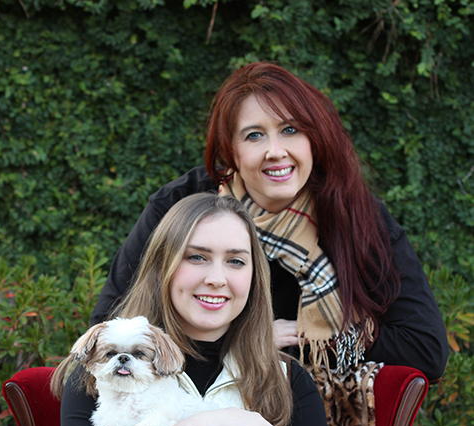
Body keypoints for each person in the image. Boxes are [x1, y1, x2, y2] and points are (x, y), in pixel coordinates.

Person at [91, 62, 449, 383]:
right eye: (254, 135)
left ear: (314, 139)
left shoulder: (354, 213)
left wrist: (315, 336)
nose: (275, 151)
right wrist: (249, 338)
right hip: (193, 395)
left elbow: (425, 348)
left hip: (311, 408)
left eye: (290, 129)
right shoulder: (180, 204)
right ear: (229, 150)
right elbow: (108, 325)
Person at [53, 193, 336, 426]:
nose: (216, 278)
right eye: (196, 257)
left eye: (235, 261)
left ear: (254, 277)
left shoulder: (285, 380)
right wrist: (213, 425)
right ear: (163, 265)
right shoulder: (100, 371)